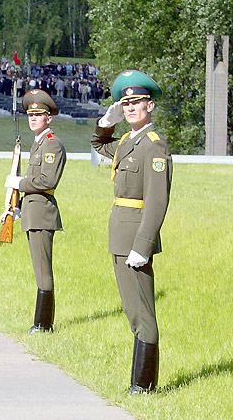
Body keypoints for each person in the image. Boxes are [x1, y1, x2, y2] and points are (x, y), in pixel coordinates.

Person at [90, 70, 172, 393]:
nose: (130, 108)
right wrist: (106, 120)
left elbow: (156, 201)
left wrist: (144, 244)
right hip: (119, 235)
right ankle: (139, 382)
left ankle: (144, 385)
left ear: (150, 106)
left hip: (135, 238)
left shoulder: (154, 147)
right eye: (125, 103)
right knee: (132, 310)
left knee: (142, 313)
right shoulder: (126, 140)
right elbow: (98, 143)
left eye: (136, 102)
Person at [4, 89, 66, 333]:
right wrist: (16, 207)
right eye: (31, 115)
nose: (33, 119)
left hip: (42, 214)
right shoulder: (38, 144)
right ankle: (42, 322)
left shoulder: (52, 145)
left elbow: (46, 181)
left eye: (39, 115)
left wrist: (19, 183)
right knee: (38, 268)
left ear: (48, 118)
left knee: (42, 270)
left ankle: (43, 324)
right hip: (33, 211)